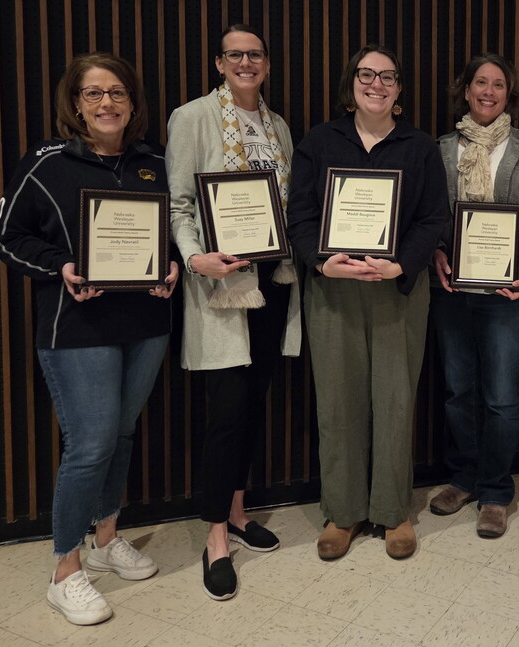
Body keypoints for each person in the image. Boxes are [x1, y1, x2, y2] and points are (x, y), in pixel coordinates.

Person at [0, 52, 177, 625]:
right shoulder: (47, 163)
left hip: (145, 324)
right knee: (91, 444)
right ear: (75, 102)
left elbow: (177, 227)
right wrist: (63, 267)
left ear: (132, 102)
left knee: (121, 434)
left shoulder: (154, 162)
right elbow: (6, 234)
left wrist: (172, 264)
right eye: (93, 93)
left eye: (117, 92)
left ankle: (106, 538)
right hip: (77, 328)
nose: (106, 103)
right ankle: (64, 569)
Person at [287, 45, 448, 560]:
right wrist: (318, 259)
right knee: (338, 401)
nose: (376, 84)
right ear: (350, 82)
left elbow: (434, 218)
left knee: (396, 400)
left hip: (398, 290)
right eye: (366, 74)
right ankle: (344, 511)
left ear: (399, 89)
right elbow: (300, 214)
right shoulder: (319, 141)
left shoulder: (419, 147)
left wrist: (401, 263)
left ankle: (393, 510)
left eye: (388, 77)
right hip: (334, 291)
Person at [166, 24, 300, 600]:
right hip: (221, 286)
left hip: (273, 282)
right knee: (225, 412)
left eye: (255, 55)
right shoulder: (192, 118)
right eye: (235, 55)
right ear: (220, 62)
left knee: (252, 404)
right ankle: (216, 536)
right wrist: (196, 257)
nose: (246, 63)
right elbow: (177, 203)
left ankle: (240, 513)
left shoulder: (279, 127)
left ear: (266, 64)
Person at [427, 54, 519, 538]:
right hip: (452, 293)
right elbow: (427, 218)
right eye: (480, 83)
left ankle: (496, 491)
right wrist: (438, 254)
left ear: (510, 94)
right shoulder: (441, 150)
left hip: (512, 296)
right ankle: (463, 477)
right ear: (465, 90)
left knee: (502, 397)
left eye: (498, 85)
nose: (488, 91)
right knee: (457, 390)